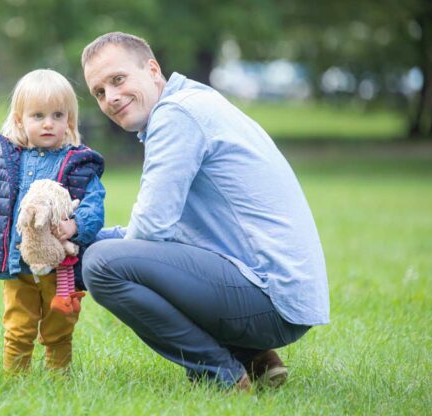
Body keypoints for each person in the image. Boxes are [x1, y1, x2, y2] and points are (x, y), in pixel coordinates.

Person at [80, 32, 329, 390]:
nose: (111, 98)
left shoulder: (176, 115)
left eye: (118, 80)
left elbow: (150, 231)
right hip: (280, 292)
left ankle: (222, 374)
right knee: (101, 253)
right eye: (99, 92)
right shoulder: (191, 103)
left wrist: (88, 248)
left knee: (101, 265)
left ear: (152, 69)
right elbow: (171, 237)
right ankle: (255, 358)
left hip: (273, 295)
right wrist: (83, 235)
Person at [0, 69, 105, 372]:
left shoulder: (78, 163)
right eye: (38, 115)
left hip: (60, 268)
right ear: (19, 120)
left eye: (57, 115)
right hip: (17, 266)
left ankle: (59, 381)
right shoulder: (10, 160)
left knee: (59, 328)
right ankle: (15, 382)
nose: (48, 123)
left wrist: (75, 226)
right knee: (18, 328)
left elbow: (93, 205)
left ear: (70, 121)